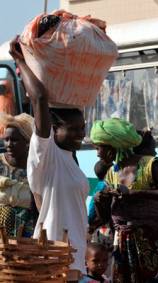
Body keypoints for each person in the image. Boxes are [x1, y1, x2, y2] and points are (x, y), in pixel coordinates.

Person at [9, 37, 89, 282]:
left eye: (82, 128)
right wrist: (21, 60)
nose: (80, 134)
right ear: (53, 129)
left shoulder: (70, 160)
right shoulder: (45, 155)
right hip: (51, 255)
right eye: (73, 129)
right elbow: (40, 99)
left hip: (73, 255)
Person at [89, 117, 158, 283]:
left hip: (154, 244)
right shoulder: (112, 173)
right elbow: (104, 218)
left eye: (99, 147)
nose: (98, 153)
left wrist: (138, 194)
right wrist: (100, 200)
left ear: (114, 146)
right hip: (123, 247)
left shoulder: (150, 165)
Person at [0, 112, 38, 237]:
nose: (9, 144)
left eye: (14, 140)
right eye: (6, 140)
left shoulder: (36, 167)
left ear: (27, 142)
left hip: (29, 233)